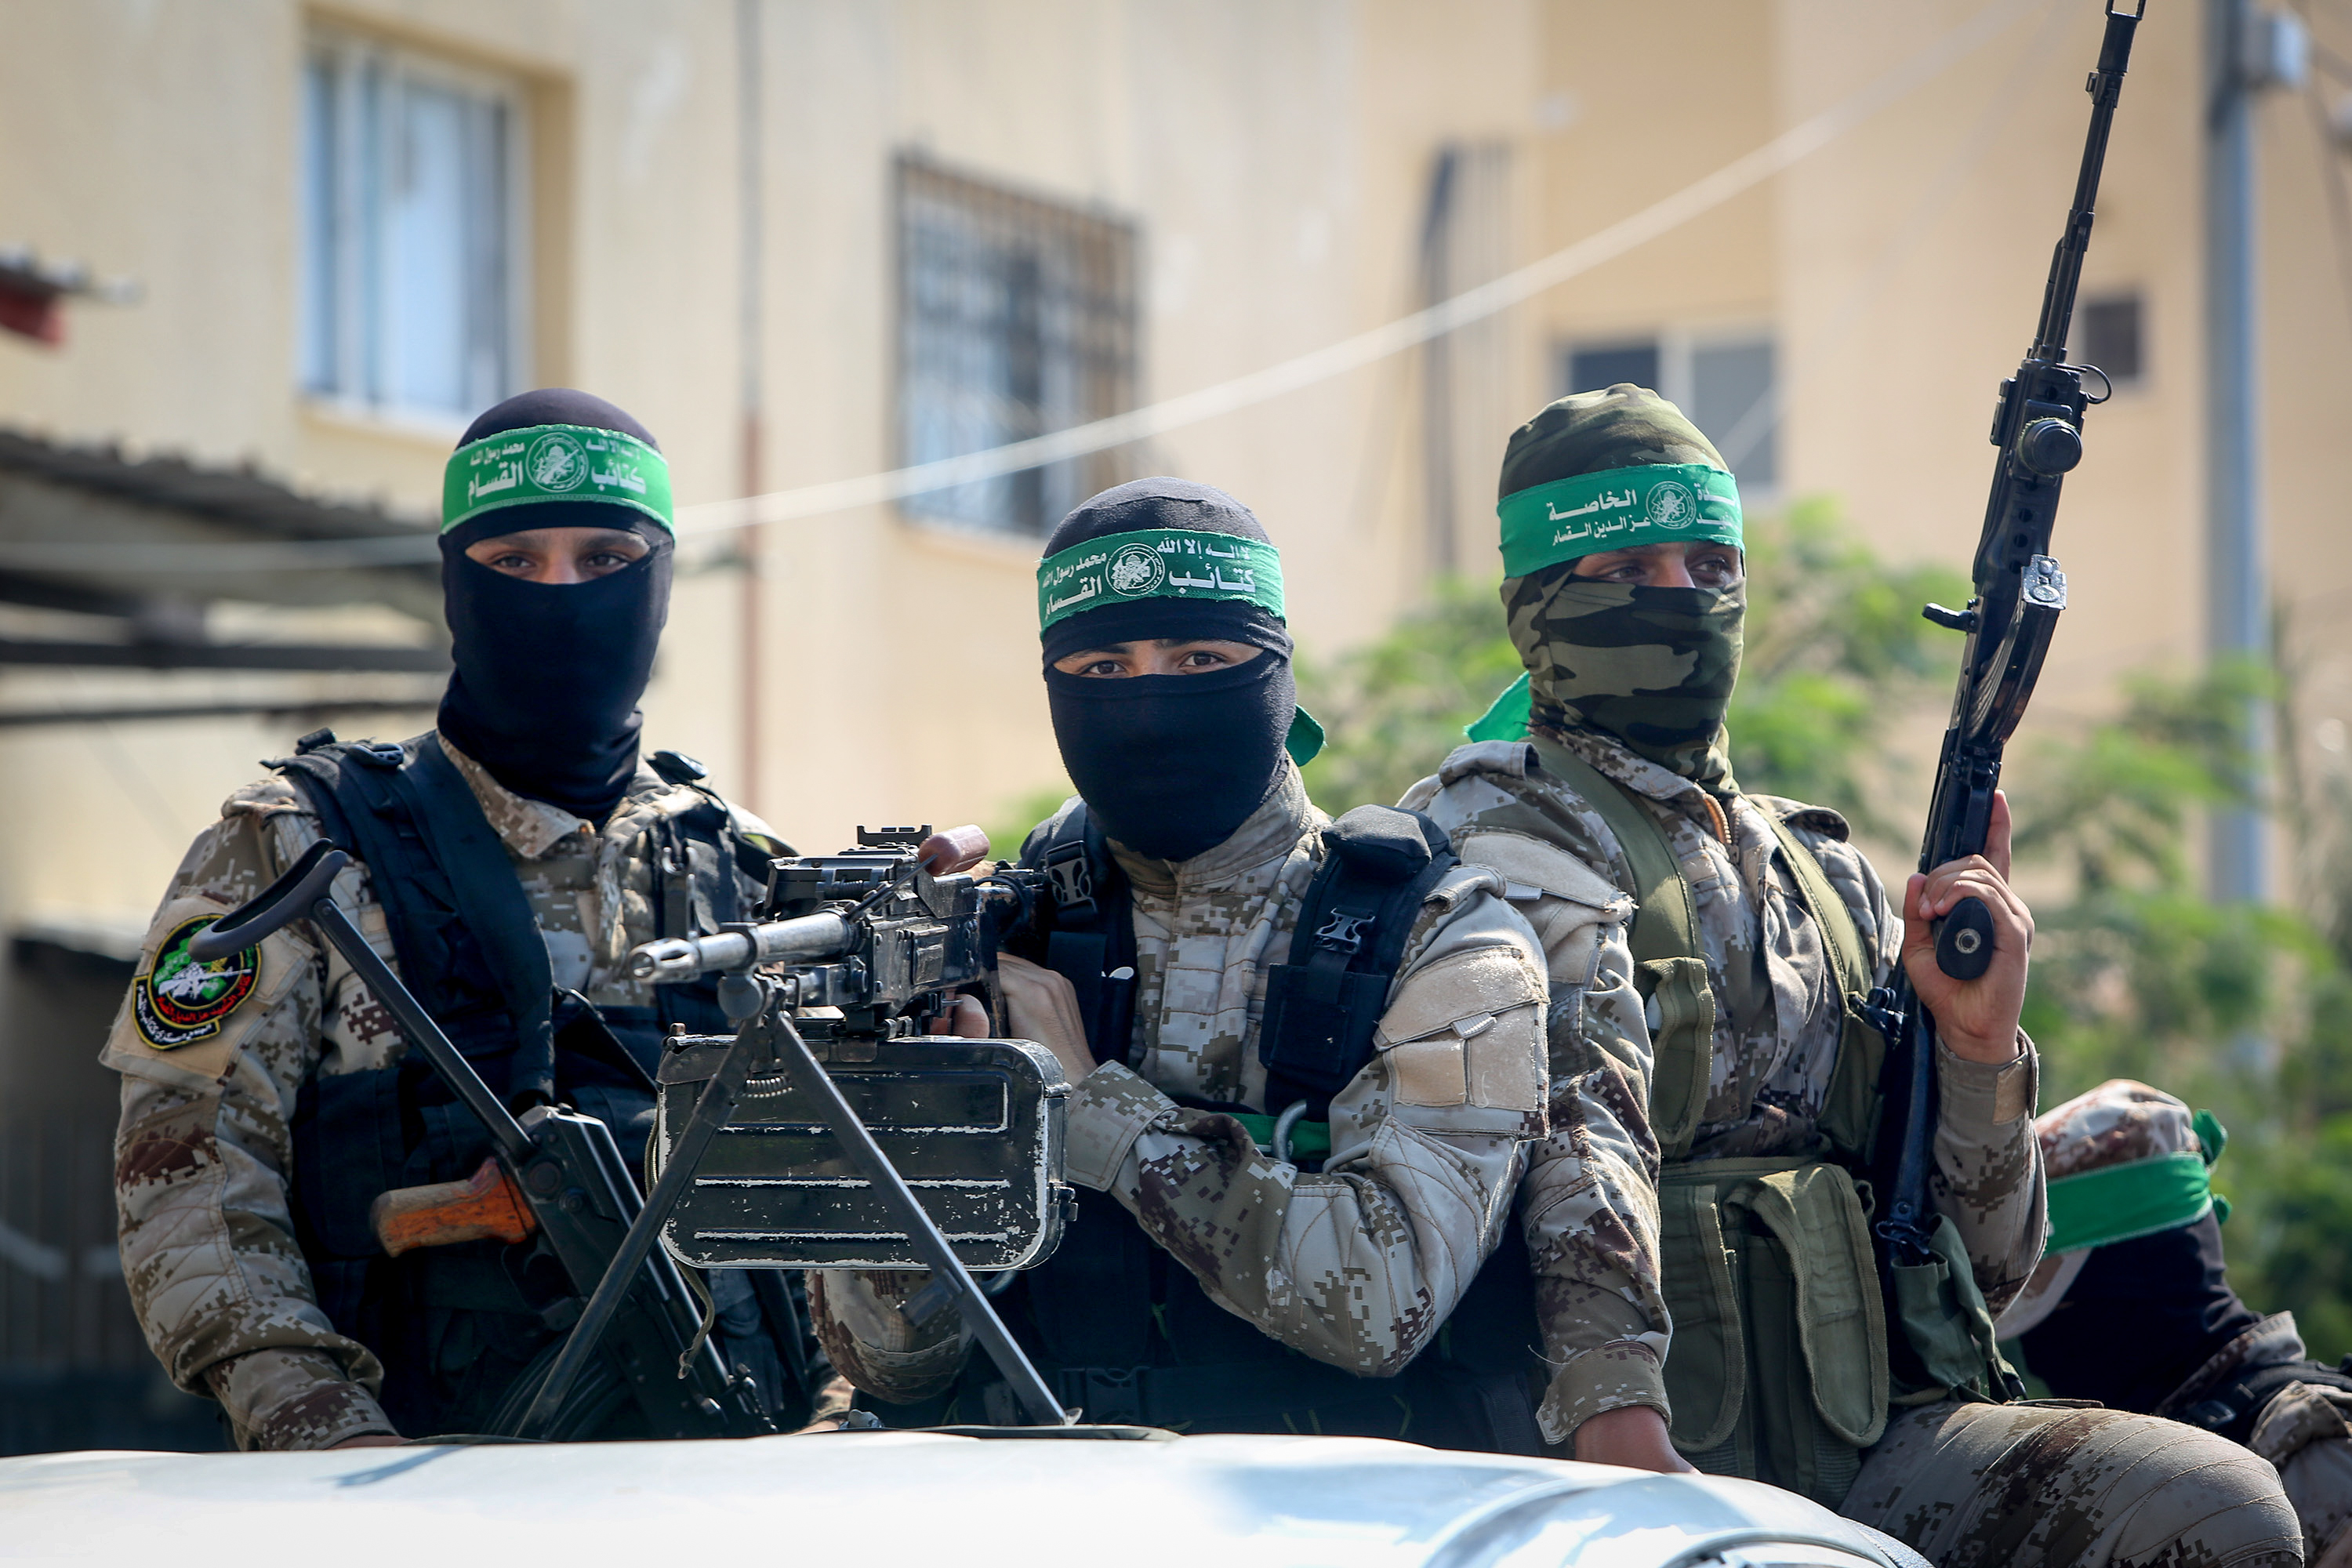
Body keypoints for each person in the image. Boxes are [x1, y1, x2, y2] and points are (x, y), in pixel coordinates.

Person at [1402, 385, 2301, 1564]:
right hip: (1599, 1464)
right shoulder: (1482, 839)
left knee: (2220, 1506)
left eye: (1710, 564)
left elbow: (1988, 1265)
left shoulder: (1821, 873)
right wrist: (1619, 1424)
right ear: (1535, 601)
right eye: (1627, 569)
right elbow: (1577, 1126)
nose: (1682, 597)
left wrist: (1979, 1046)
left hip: (1873, 1444)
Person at [805, 477, 1625, 1443]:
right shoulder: (1004, 934)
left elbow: (1381, 1302)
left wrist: (1091, 1103)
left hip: (1334, 1503)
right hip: (1031, 1495)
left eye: (1199, 658)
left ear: (1275, 668)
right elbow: (891, 1359)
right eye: (1103, 667)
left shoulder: (1444, 936)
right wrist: (933, 1118)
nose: (1149, 702)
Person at [106, 389, 831, 1449]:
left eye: (606, 558)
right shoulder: (290, 847)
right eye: (514, 561)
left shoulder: (749, 873)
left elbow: (846, 1224)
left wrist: (832, 1439)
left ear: (661, 583)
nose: (562, 593)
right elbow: (188, 1190)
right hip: (414, 1485)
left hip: (738, 1482)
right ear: (457, 582)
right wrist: (333, 1443)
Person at [2001, 1080, 2352, 1567]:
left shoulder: (2322, 1457)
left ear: (2136, 1282)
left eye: (2055, 1319)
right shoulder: (2154, 1450)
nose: (2041, 1358)